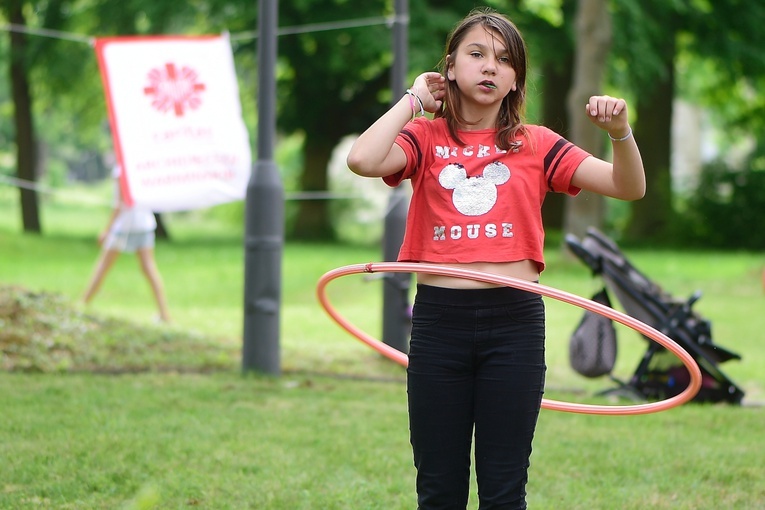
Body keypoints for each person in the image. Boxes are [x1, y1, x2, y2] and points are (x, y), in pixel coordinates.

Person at [346, 7, 645, 509]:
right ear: (451, 67)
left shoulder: (538, 144)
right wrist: (415, 101)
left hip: (515, 325)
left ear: (514, 80)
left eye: (504, 60)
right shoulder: (425, 138)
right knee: (439, 489)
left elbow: (627, 187)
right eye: (477, 54)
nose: (489, 67)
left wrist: (620, 132)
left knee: (505, 491)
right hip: (440, 324)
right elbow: (362, 159)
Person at [82, 165, 171, 323]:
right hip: (144, 224)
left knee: (103, 266)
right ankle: (164, 314)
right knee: (149, 268)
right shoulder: (143, 167)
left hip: (124, 226)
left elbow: (120, 204)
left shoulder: (121, 169)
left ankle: (82, 305)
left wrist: (107, 230)